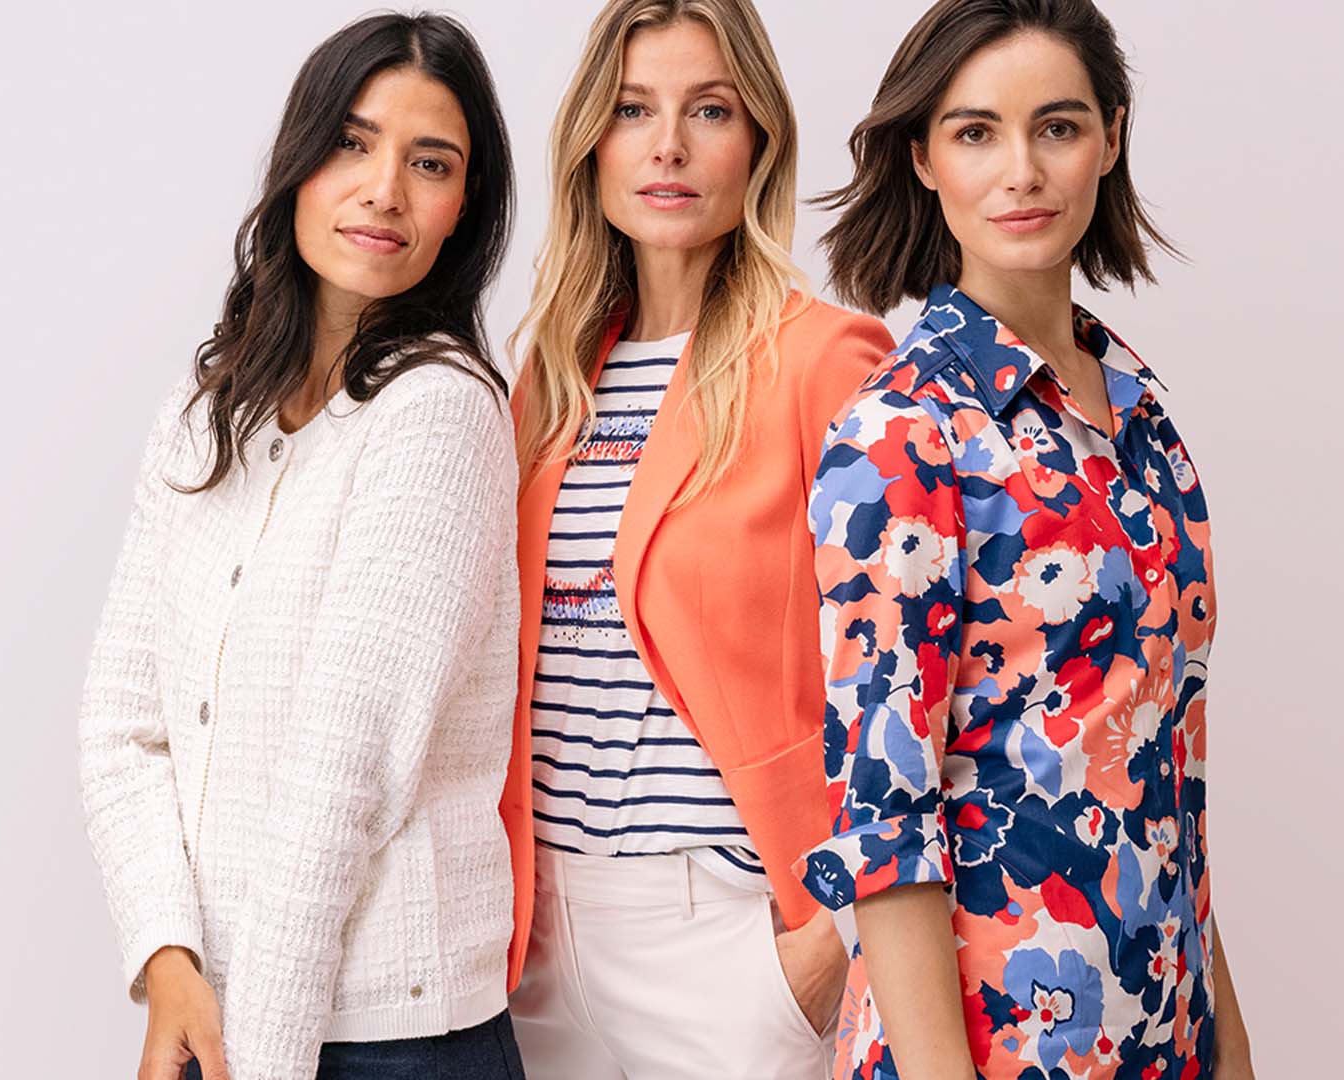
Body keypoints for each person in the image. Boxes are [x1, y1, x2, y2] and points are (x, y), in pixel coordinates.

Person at [798, 1, 1254, 1076]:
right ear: (923, 159)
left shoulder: (1142, 416)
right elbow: (886, 827)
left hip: (1165, 1031)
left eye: (1057, 126)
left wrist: (1228, 1049)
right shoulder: (900, 435)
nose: (1022, 172)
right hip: (995, 1047)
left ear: (1110, 136)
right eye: (976, 132)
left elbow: (1169, 786)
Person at [76, 13, 525, 1080]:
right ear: (299, 161)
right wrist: (168, 960)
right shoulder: (205, 414)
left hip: (394, 1043)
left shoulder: (439, 413)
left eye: (431, 163)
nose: (384, 190)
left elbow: (339, 778)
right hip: (214, 1020)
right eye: (352, 144)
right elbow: (121, 725)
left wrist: (257, 1059)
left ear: (463, 208)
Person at [502, 1, 896, 1075]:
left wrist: (830, 940)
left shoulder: (826, 361)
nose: (667, 145)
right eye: (633, 110)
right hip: (539, 941)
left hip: (728, 932)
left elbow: (915, 676)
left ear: (759, 139)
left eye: (709, 110)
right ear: (591, 143)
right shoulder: (549, 380)